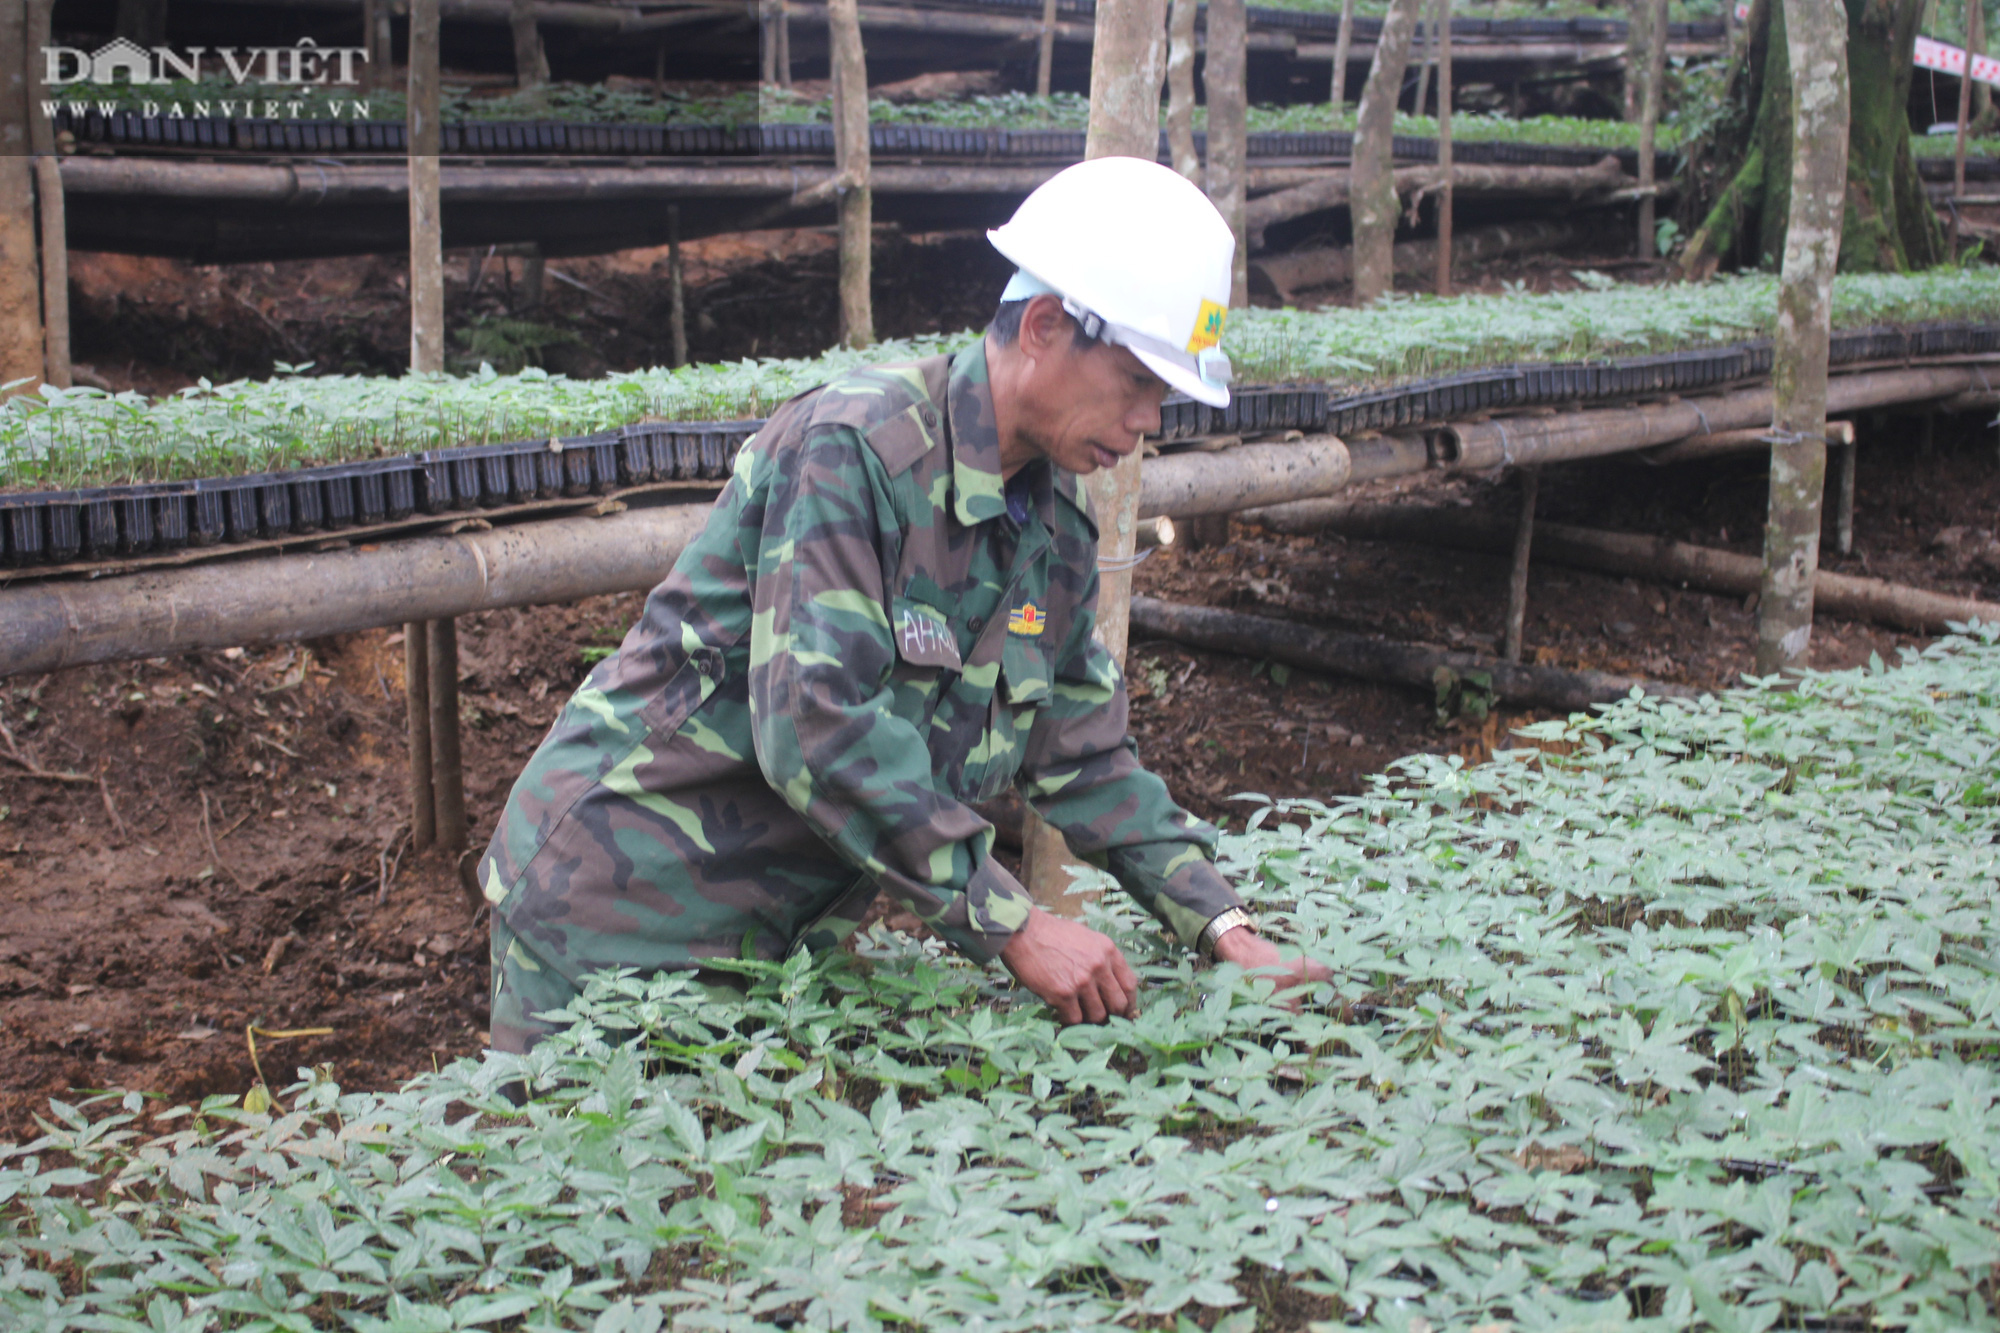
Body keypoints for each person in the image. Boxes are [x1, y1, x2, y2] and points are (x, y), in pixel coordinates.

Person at [476, 156, 1326, 1054]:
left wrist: (1222, 926)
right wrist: (1014, 923)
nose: (1149, 419)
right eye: (1139, 383)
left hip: (784, 939)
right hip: (616, 910)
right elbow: (814, 725)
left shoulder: (1056, 530)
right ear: (1043, 326)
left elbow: (1084, 753)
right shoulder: (855, 451)